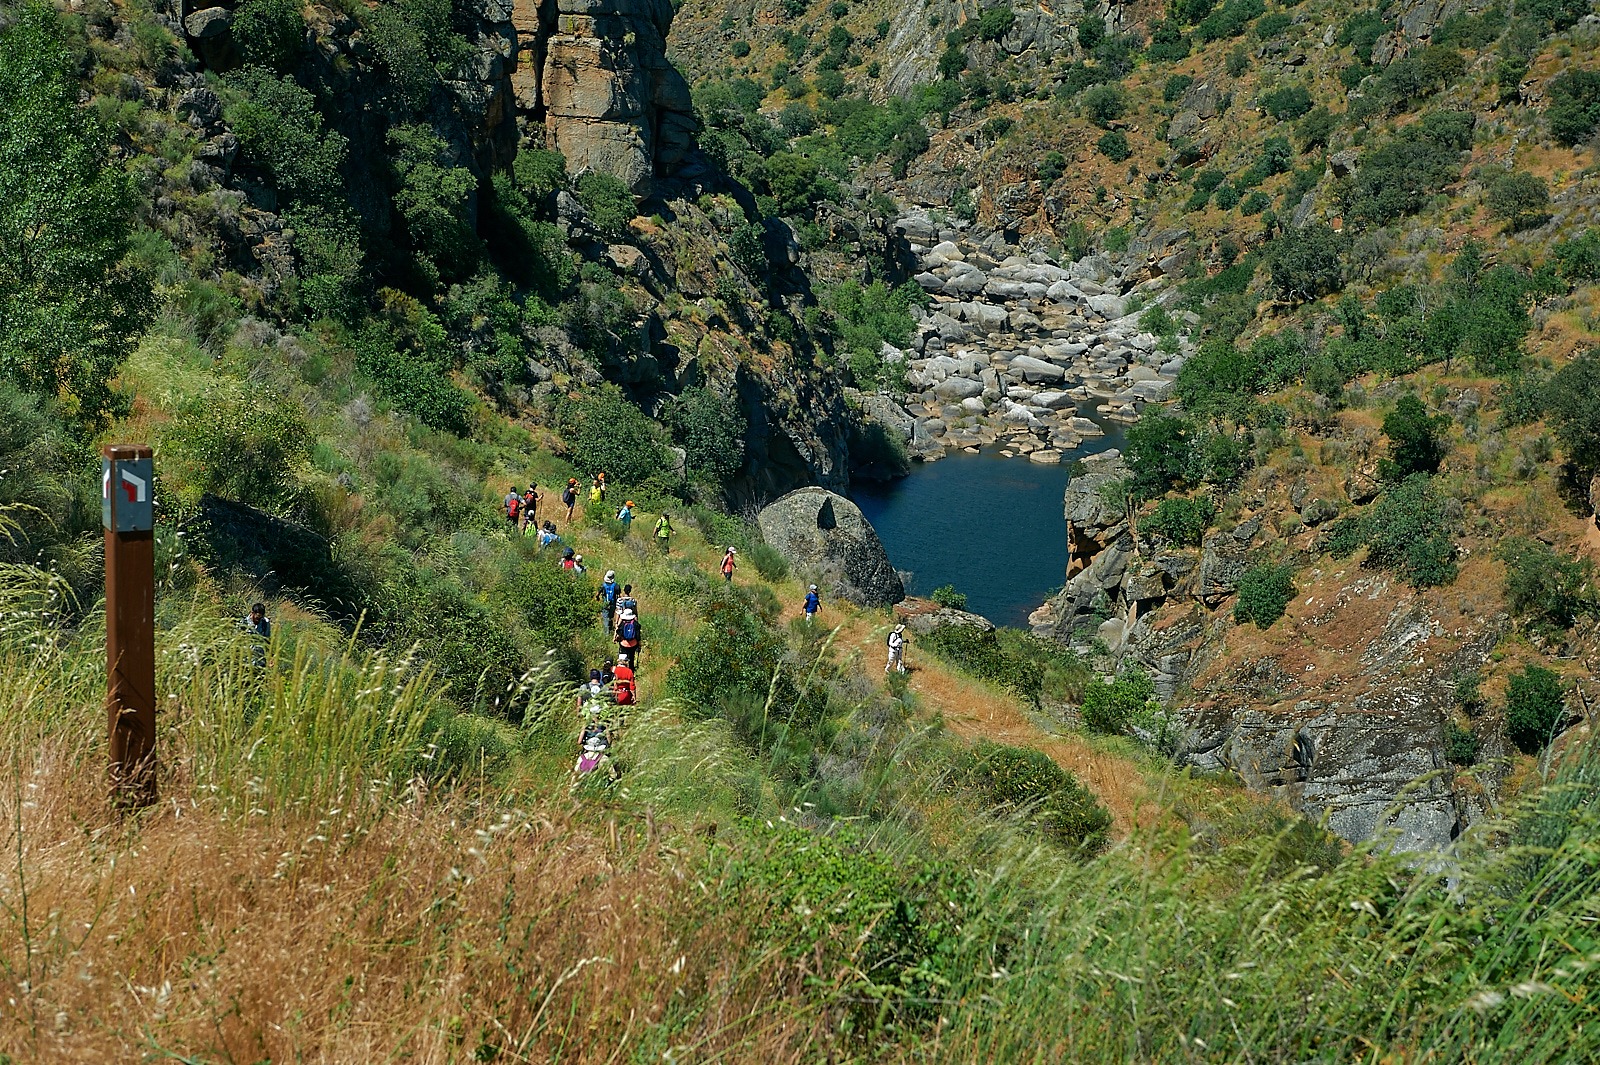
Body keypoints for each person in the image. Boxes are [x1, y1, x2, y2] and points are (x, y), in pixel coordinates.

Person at [243, 601, 271, 668]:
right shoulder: (243, 623)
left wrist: (270, 657)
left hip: (260, 662)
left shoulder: (265, 623)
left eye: (261, 618)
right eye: (257, 618)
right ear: (252, 613)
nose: (259, 620)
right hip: (245, 662)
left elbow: (267, 641)